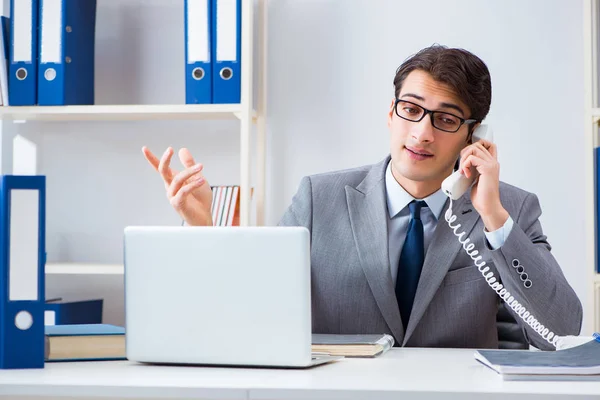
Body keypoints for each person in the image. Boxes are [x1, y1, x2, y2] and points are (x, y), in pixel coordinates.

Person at [142, 44, 582, 350]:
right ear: (391, 114)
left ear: (474, 135)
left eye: (446, 119)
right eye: (411, 110)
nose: (422, 132)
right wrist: (203, 229)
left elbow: (561, 330)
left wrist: (492, 218)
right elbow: (252, 311)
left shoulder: (510, 209)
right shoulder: (320, 197)